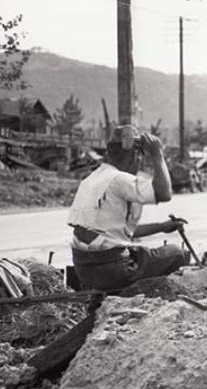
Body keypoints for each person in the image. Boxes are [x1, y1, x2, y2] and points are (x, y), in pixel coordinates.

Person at [67, 125, 188, 292]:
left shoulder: (91, 180)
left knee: (139, 250)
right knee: (177, 253)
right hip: (115, 270)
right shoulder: (119, 179)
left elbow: (115, 233)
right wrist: (157, 155)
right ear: (136, 156)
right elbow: (165, 193)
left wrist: (161, 227)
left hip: (85, 270)